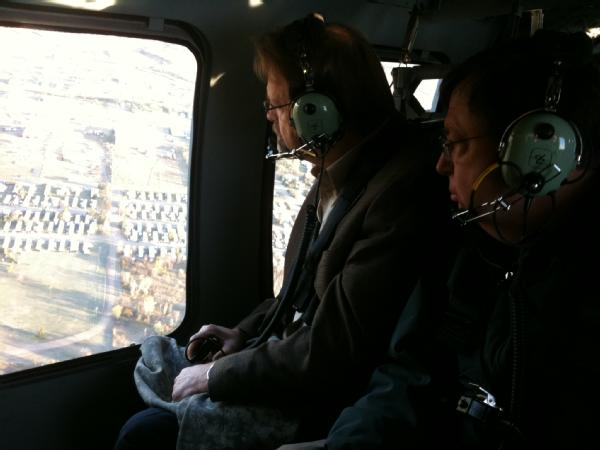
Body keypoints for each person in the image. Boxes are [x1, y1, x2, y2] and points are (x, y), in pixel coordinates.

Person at [114, 13, 453, 450]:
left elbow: (334, 351)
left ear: (316, 112)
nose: (270, 117)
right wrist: (243, 335)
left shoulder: (399, 195)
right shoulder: (336, 172)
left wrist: (218, 375)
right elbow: (295, 295)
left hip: (327, 400)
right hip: (296, 366)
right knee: (154, 371)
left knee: (144, 436)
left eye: (275, 105)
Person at [319, 29, 600, 450]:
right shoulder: (467, 246)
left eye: (456, 144)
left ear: (540, 152)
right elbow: (405, 381)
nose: (440, 165)